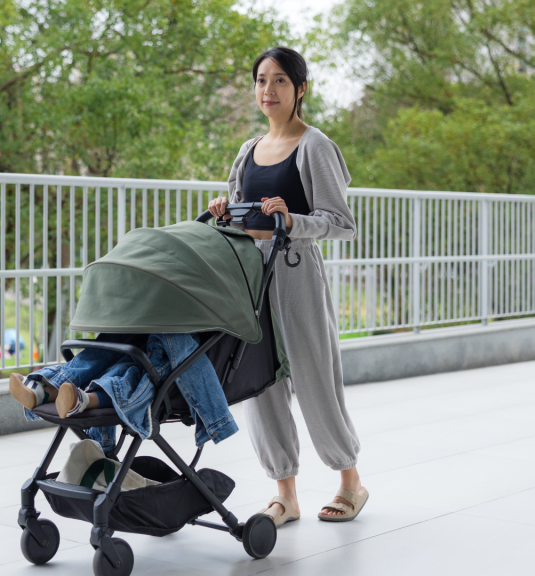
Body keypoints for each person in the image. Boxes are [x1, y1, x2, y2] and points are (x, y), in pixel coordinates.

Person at [208, 46, 368, 526]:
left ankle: (350, 483)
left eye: (280, 81)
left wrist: (291, 219)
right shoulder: (247, 149)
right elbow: (243, 212)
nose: (268, 90)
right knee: (260, 382)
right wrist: (225, 212)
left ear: (301, 89)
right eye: (261, 80)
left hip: (297, 273)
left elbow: (340, 223)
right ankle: (285, 495)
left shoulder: (315, 145)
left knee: (315, 379)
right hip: (249, 274)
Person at [8, 333, 237, 454]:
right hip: (138, 345)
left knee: (127, 374)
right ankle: (56, 391)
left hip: (163, 365)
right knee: (114, 359)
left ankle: (57, 392)